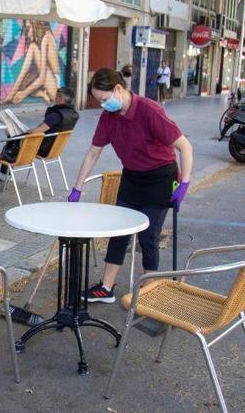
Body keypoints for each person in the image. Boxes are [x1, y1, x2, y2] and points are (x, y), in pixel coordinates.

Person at [68, 68, 193, 303]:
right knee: (119, 231)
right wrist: (77, 187)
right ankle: (106, 288)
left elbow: (185, 147)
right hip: (132, 178)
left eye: (104, 99)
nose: (103, 105)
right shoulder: (108, 117)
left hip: (160, 179)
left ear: (118, 89)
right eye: (99, 101)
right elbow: (93, 154)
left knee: (148, 236)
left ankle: (149, 292)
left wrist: (184, 183)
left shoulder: (149, 110)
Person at [0, 87, 79, 182]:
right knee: (15, 138)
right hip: (53, 148)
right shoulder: (73, 114)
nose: (56, 98)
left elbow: (38, 131)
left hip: (41, 147)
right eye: (57, 95)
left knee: (12, 140)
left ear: (66, 99)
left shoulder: (56, 115)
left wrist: (28, 131)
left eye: (59, 96)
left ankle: (3, 174)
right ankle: (4, 174)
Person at [7, 20, 61, 104]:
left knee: (33, 47)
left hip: (55, 88)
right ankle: (42, 94)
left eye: (28, 29)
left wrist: (24, 93)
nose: (27, 35)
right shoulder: (44, 38)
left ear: (35, 25)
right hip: (51, 85)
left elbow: (42, 79)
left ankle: (11, 95)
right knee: (24, 83)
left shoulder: (46, 37)